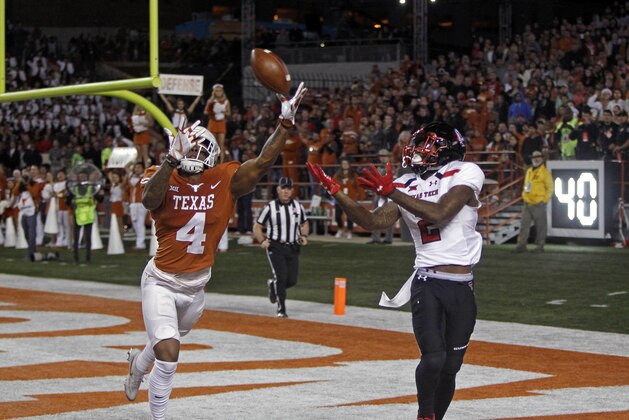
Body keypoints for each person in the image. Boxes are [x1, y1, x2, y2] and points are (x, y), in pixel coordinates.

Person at [123, 83, 307, 420]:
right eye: (186, 151)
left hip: (196, 287)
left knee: (166, 340)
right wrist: (170, 162)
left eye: (195, 151)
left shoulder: (225, 178)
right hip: (162, 280)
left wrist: (285, 123)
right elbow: (150, 199)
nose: (190, 157)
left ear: (210, 154)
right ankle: (158, 415)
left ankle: (137, 365)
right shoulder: (161, 174)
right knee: (169, 351)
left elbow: (263, 161)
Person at [308, 121, 484, 420]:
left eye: (425, 144)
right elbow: (372, 222)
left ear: (445, 148)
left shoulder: (465, 172)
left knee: (452, 365)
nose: (416, 150)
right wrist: (336, 191)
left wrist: (392, 192)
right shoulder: (406, 182)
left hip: (461, 285)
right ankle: (424, 415)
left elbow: (441, 213)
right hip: (427, 281)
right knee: (433, 358)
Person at [252, 177, 309, 318]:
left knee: (292, 280)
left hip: (293, 246)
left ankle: (273, 286)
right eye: (283, 188)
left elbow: (305, 223)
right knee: (282, 277)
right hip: (276, 246)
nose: (285, 191)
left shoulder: (298, 206)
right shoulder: (270, 207)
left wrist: (304, 235)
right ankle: (281, 309)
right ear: (278, 190)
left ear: (292, 191)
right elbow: (257, 226)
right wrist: (261, 241)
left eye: (288, 189)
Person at [513, 150, 553, 253]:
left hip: (538, 202)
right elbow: (527, 185)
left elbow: (550, 188)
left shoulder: (545, 172)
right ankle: (521, 245)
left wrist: (544, 200)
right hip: (528, 202)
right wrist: (524, 195)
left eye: (538, 157)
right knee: (524, 226)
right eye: (534, 157)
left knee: (540, 227)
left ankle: (540, 246)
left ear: (542, 158)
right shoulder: (529, 170)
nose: (536, 158)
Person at [367, 149, 394, 244]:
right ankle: (376, 238)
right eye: (381, 156)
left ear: (388, 157)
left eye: (385, 156)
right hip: (379, 194)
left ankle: (388, 238)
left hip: (389, 195)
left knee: (388, 216)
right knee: (375, 215)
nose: (383, 158)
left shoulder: (392, 168)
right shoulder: (378, 168)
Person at [332, 158, 364, 239]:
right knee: (337, 216)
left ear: (349, 165)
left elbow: (359, 186)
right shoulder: (337, 175)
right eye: (343, 164)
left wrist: (362, 196)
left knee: (350, 217)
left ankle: (350, 231)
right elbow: (332, 185)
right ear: (341, 165)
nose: (345, 165)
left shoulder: (353, 175)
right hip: (340, 199)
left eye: (346, 163)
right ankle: (340, 229)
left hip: (350, 199)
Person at [203, 83, 231, 163]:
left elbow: (229, 113)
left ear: (222, 92)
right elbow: (205, 112)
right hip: (212, 122)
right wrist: (212, 111)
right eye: (217, 91)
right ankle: (211, 161)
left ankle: (221, 162)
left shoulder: (226, 101)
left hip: (221, 123)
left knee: (221, 144)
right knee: (212, 143)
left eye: (220, 91)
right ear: (214, 92)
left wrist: (222, 111)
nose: (218, 93)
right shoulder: (210, 101)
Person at [128, 162, 148, 250]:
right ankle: (139, 241)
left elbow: (135, 183)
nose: (137, 169)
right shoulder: (132, 176)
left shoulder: (144, 177)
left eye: (139, 167)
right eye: (136, 167)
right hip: (133, 202)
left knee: (140, 223)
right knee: (134, 222)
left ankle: (140, 243)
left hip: (141, 202)